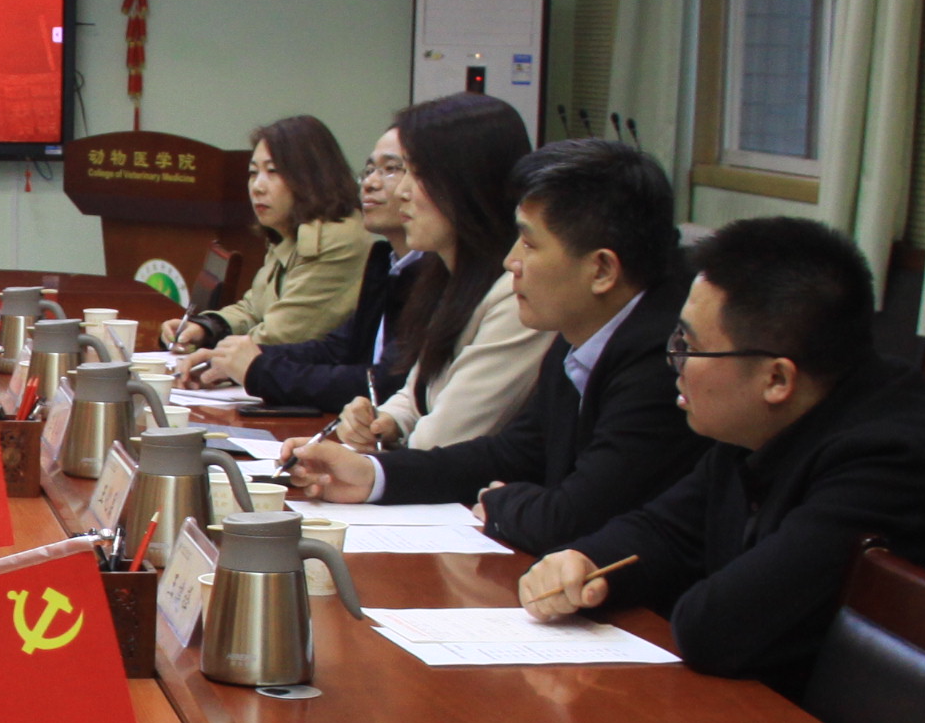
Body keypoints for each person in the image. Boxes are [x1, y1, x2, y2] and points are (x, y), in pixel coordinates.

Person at [523, 215, 925, 685]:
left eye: (690, 347)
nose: (674, 363)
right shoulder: (772, 420)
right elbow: (666, 529)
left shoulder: (891, 459)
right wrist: (584, 561)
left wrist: (657, 581)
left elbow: (718, 628)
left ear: (776, 379)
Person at [287, 140, 699, 557]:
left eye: (529, 244)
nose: (510, 261)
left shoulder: (663, 358)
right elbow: (514, 453)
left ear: (602, 269)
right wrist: (371, 474)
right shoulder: (581, 330)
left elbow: (575, 516)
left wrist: (502, 504)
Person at [333, 92, 545, 453]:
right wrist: (383, 421)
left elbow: (443, 440)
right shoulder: (447, 275)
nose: (401, 191)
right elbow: (419, 393)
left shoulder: (518, 293)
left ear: (470, 181)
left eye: (417, 173)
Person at [184, 125, 418, 408]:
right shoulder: (386, 260)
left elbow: (384, 382)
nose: (369, 184)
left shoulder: (337, 240)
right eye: (253, 173)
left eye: (391, 169)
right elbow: (337, 347)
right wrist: (212, 333)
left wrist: (249, 366)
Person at [161, 116, 374, 357]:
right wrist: (205, 328)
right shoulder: (290, 230)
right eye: (253, 173)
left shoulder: (336, 239)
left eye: (273, 171)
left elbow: (282, 335)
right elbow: (254, 309)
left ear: (312, 176)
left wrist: (212, 358)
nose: (257, 187)